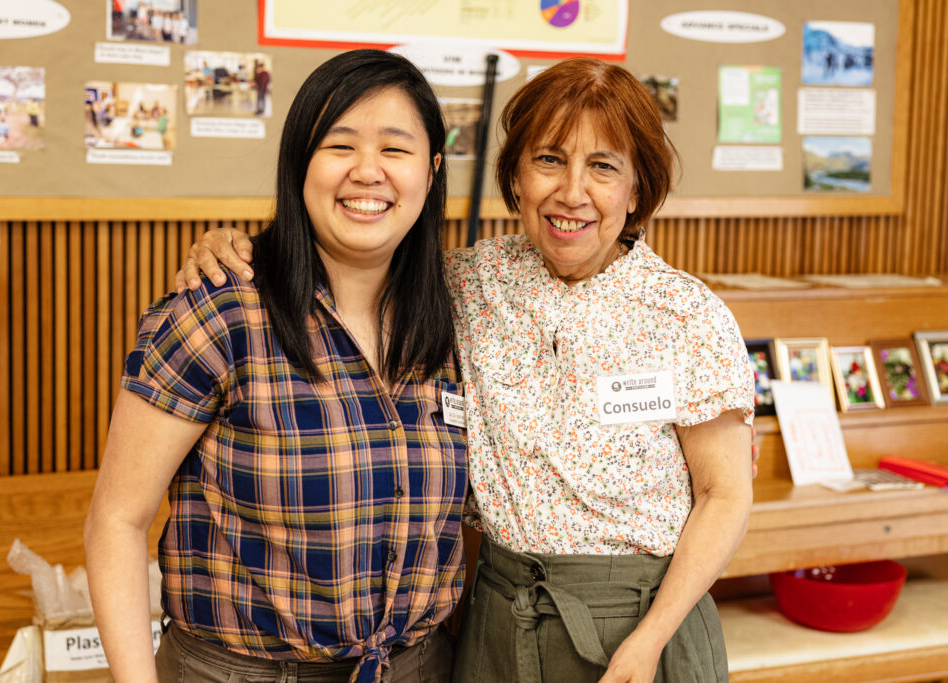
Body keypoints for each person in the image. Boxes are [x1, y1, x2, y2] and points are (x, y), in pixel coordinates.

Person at [178, 57, 755, 683]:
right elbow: (348, 262)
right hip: (495, 615)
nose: (572, 193)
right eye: (549, 160)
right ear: (514, 178)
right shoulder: (464, 284)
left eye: (604, 167)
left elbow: (725, 496)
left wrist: (650, 641)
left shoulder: (687, 314)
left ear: (637, 189)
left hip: (641, 623)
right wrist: (231, 243)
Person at [85, 49, 467, 683]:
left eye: (395, 151)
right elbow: (116, 522)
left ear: (430, 172)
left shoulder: (457, 318)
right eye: (339, 145)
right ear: (299, 165)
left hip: (420, 667)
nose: (367, 172)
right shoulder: (221, 313)